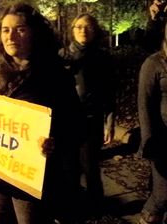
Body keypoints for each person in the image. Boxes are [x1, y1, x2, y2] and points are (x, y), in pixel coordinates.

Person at [0, 3, 85, 224]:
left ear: (34, 33)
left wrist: (54, 142)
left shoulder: (55, 76)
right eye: (5, 30)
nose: (11, 36)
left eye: (20, 29)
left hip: (31, 181)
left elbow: (76, 124)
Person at [59, 13, 116, 216]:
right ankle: (71, 206)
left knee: (91, 166)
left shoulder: (103, 58)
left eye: (88, 27)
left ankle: (96, 206)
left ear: (95, 30)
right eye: (79, 26)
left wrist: (110, 121)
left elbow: (109, 92)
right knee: (69, 168)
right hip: (66, 121)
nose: (83, 30)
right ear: (72, 30)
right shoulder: (62, 56)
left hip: (91, 121)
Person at [137, 20, 167, 224]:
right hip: (163, 140)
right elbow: (144, 105)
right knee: (162, 195)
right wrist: (148, 141)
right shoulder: (154, 63)